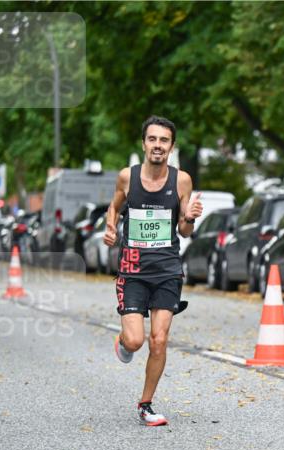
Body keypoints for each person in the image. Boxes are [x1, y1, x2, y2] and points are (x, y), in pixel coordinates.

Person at [104, 115, 202, 427]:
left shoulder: (181, 180)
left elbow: (184, 231)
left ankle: (146, 404)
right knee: (136, 341)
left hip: (167, 269)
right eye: (152, 139)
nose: (157, 145)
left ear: (172, 147)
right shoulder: (127, 177)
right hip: (132, 270)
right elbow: (114, 208)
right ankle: (123, 342)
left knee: (158, 340)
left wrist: (189, 217)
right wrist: (110, 230)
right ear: (144, 143)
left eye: (164, 140)